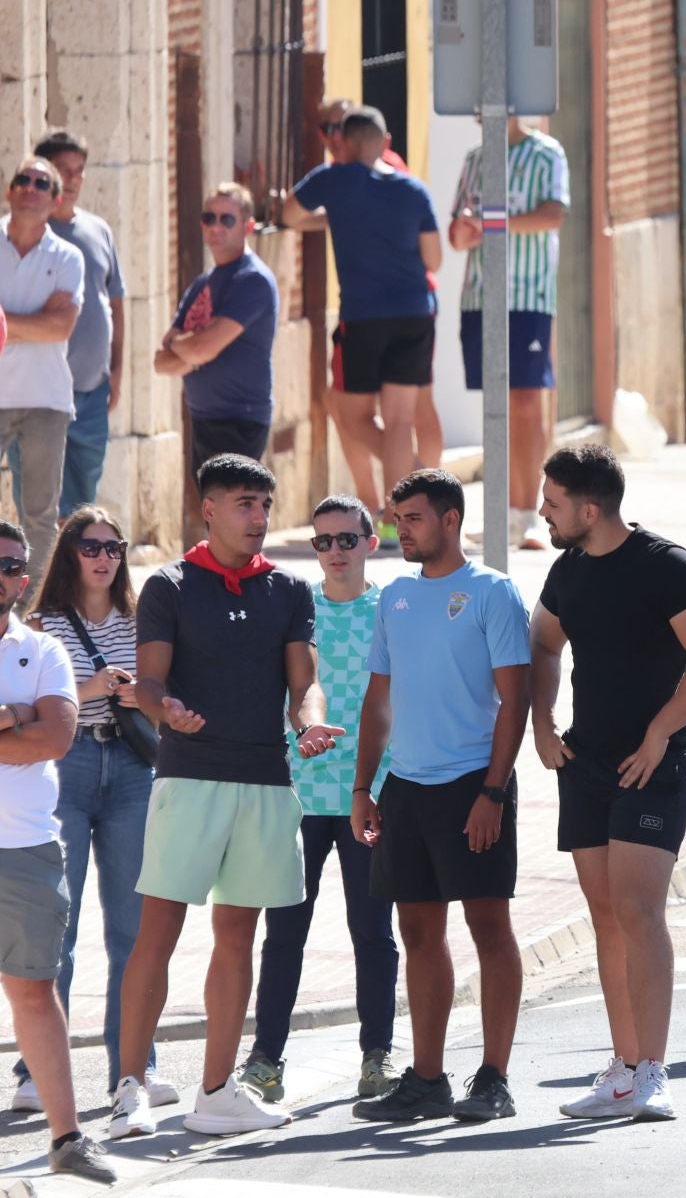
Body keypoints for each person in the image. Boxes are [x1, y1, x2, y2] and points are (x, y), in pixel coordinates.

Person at [112, 454, 338, 1140]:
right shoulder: (169, 586)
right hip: (188, 778)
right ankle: (128, 1090)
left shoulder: (292, 589)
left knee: (236, 938)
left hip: (267, 781)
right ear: (207, 508)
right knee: (159, 933)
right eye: (245, 504)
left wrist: (311, 721)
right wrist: (166, 710)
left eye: (265, 505)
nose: (259, 519)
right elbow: (146, 685)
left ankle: (215, 1093)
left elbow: (305, 685)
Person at [531, 445, 686, 1119]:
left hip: (653, 766)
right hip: (585, 764)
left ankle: (653, 1070)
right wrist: (541, 721)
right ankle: (621, 1070)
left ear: (589, 510)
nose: (542, 511)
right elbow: (542, 643)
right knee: (605, 917)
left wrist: (660, 732)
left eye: (553, 503)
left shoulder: (665, 566)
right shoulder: (568, 570)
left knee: (639, 912)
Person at [350, 470, 530, 1124]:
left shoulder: (492, 593)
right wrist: (364, 787)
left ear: (451, 520)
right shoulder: (394, 597)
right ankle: (427, 1079)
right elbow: (378, 701)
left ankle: (494, 1077)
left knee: (489, 928)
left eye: (415, 518)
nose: (403, 530)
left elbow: (517, 698)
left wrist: (494, 790)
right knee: (419, 931)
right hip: (406, 789)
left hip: (472, 786)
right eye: (398, 519)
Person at [10, 510, 173, 1113]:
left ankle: (135, 1067)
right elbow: (30, 710)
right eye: (91, 546)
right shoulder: (42, 626)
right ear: (70, 554)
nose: (104, 557)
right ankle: (36, 1071)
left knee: (133, 926)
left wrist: (143, 696)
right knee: (61, 925)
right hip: (67, 768)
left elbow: (164, 703)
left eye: (114, 546)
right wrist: (93, 688)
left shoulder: (140, 621)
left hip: (132, 767)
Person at [240, 496, 399, 1107]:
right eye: (323, 541)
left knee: (372, 933)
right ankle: (265, 1061)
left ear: (370, 542)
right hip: (298, 799)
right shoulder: (294, 604)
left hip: (372, 795)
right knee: (283, 934)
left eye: (346, 539)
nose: (335, 552)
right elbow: (277, 688)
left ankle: (377, 1057)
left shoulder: (393, 608)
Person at [0, 520, 118, 1182]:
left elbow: (56, 740)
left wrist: (25, 722)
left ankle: (67, 1138)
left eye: (16, 566)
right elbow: (34, 730)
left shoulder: (43, 651)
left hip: (24, 848)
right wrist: (16, 715)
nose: (6, 575)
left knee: (35, 992)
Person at [283, 107, 443, 521]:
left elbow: (289, 214)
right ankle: (400, 519)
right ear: (383, 141)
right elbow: (434, 259)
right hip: (414, 313)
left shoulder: (332, 180)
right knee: (399, 420)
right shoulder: (414, 190)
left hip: (364, 317)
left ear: (348, 143)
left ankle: (420, 487)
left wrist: (334, 220)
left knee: (350, 414)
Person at [449, 119, 571, 550]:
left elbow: (552, 215)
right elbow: (457, 236)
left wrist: (490, 220)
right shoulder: (475, 159)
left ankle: (532, 513)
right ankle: (503, 517)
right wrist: (468, 227)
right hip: (480, 297)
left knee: (525, 403)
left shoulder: (547, 153)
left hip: (528, 296)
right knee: (496, 408)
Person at [0, 156, 85, 584]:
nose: (31, 186)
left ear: (56, 200)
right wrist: (35, 321)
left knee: (40, 516)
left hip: (46, 399)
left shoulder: (68, 256)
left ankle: (35, 608)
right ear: (9, 190)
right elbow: (47, 323)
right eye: (23, 179)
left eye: (42, 183)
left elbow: (60, 327)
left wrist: (3, 322)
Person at [155, 184, 281, 469]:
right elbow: (161, 364)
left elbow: (199, 349)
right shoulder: (202, 283)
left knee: (235, 510)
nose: (216, 226)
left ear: (248, 226)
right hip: (202, 418)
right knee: (212, 512)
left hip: (240, 421)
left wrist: (182, 346)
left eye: (227, 219)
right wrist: (195, 350)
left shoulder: (253, 280)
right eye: (208, 218)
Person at [35, 132, 126, 514]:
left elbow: (115, 304)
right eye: (62, 170)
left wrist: (118, 371)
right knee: (41, 501)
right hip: (38, 393)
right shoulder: (26, 235)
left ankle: (80, 573)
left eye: (78, 171)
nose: (71, 180)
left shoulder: (98, 230)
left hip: (92, 391)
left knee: (84, 504)